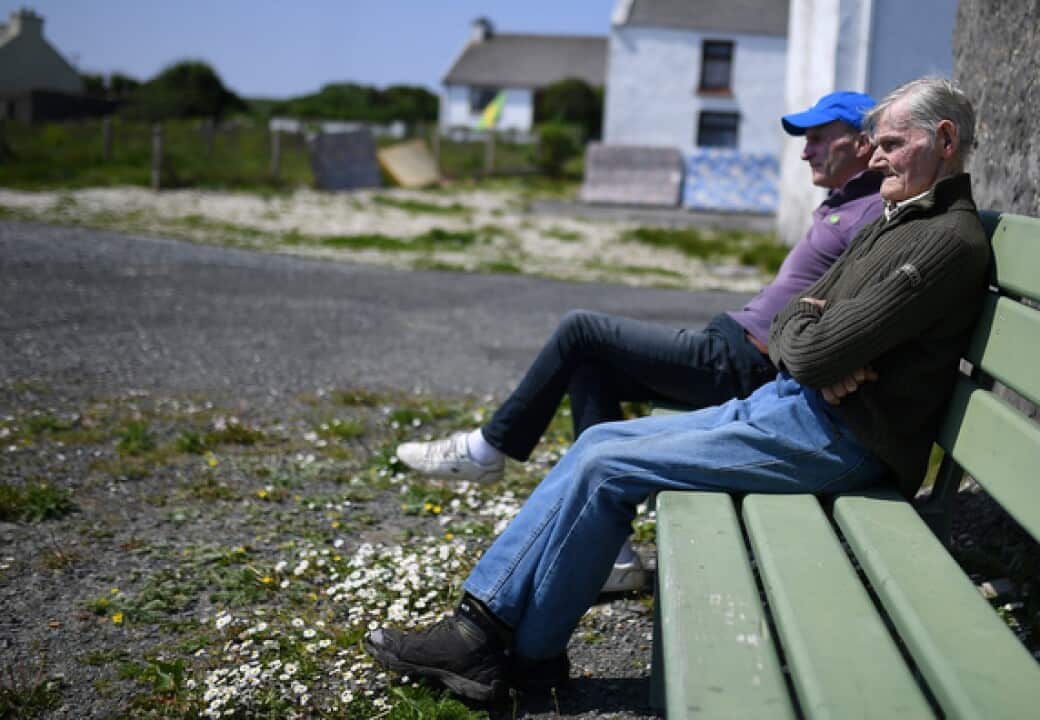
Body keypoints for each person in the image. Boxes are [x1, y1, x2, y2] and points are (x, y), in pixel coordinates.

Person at [364, 76, 990, 702]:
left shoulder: (944, 240)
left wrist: (815, 346)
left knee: (609, 465)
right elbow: (798, 316)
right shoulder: (898, 216)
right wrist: (814, 341)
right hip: (793, 407)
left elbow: (812, 345)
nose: (876, 156)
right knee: (602, 440)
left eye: (890, 143)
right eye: (874, 143)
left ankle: (505, 646)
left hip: (840, 440)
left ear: (943, 140)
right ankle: (499, 640)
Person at [396, 91, 883, 591]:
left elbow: (856, 309)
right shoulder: (844, 201)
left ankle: (488, 449)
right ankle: (614, 557)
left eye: (820, 138)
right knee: (590, 366)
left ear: (864, 143)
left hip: (746, 363)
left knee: (581, 329)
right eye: (805, 140)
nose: (805, 151)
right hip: (730, 343)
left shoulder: (872, 212)